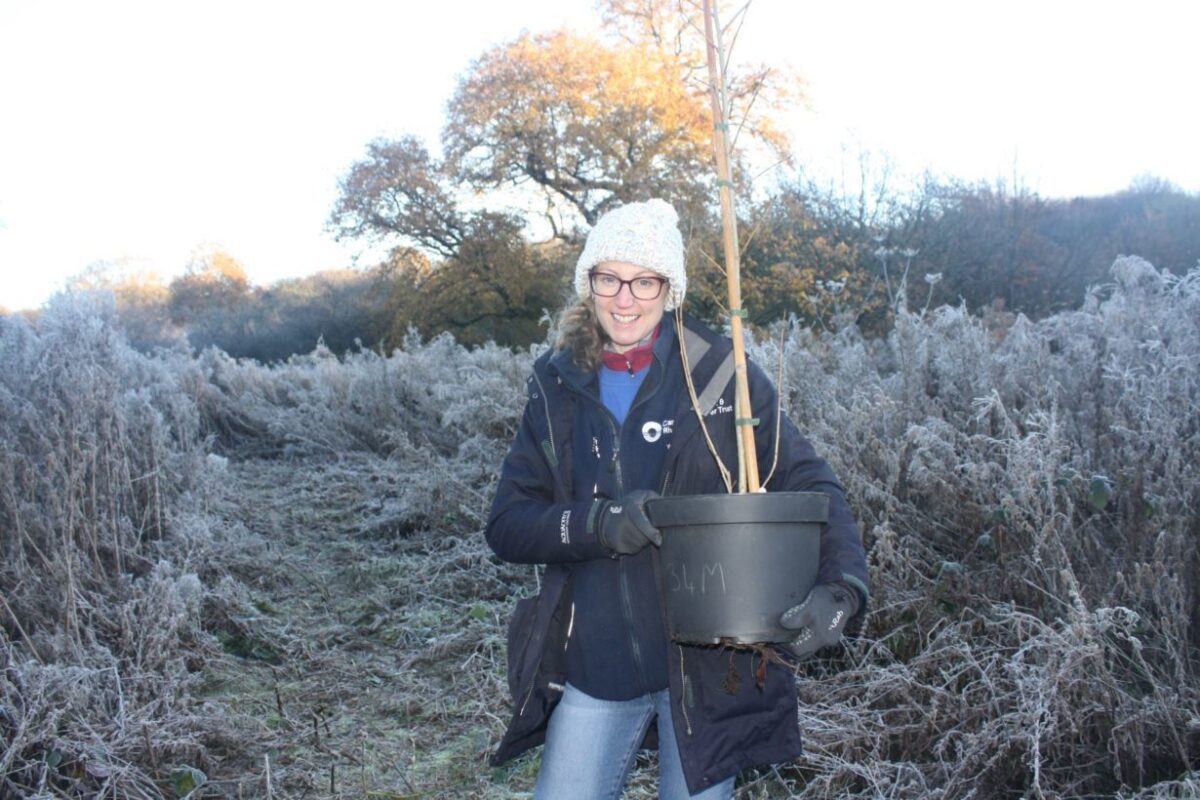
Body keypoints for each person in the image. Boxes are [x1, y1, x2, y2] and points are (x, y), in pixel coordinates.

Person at [485, 198, 869, 799]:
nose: (625, 297)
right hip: (597, 667)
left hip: (709, 672)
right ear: (588, 283)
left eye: (645, 280)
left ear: (671, 289)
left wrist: (842, 589)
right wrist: (598, 524)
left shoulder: (723, 375)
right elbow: (507, 524)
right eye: (608, 277)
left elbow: (812, 486)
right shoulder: (556, 384)